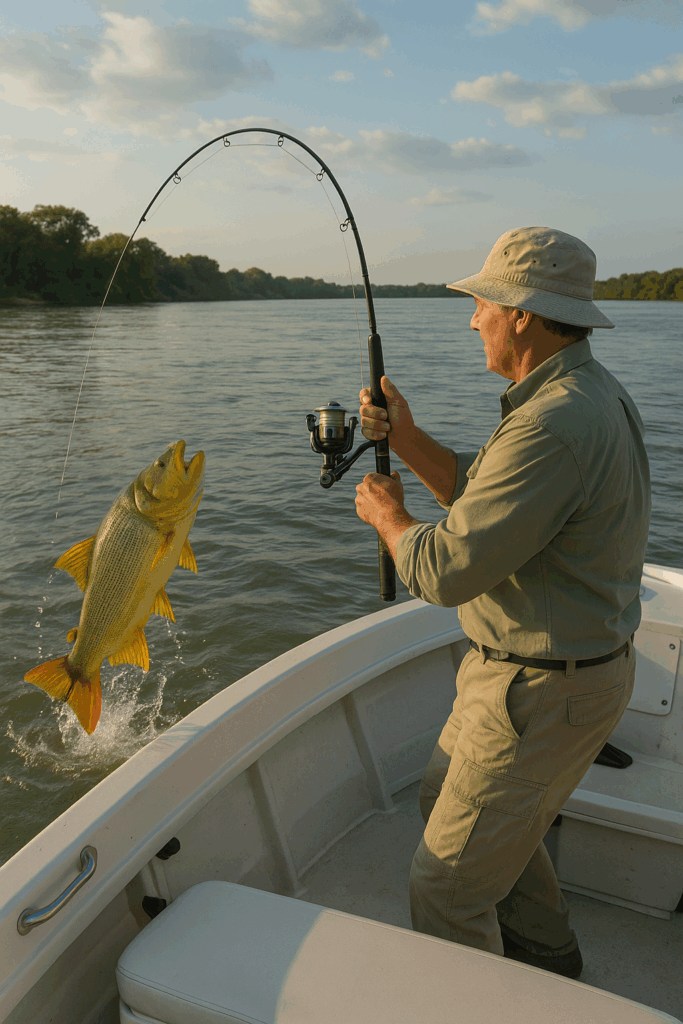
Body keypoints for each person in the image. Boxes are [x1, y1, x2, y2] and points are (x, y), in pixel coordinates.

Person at [354, 226, 651, 979]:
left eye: (482, 302)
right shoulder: (574, 394)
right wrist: (410, 438)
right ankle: (549, 962)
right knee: (449, 807)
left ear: (520, 313)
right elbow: (480, 495)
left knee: (444, 890)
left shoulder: (551, 424)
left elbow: (447, 571)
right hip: (547, 678)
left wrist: (388, 518)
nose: (472, 317)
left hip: (539, 692)